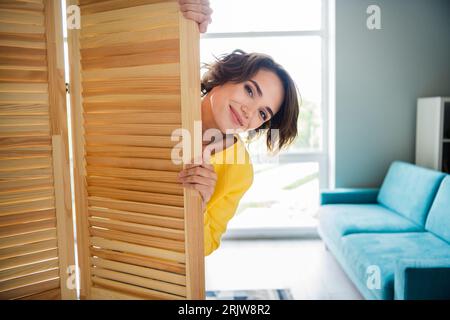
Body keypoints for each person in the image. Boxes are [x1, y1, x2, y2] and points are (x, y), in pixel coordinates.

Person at [178, 0, 301, 256]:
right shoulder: (171, 97)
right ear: (225, 75)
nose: (249, 112)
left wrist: (199, 206)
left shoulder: (240, 170)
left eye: (263, 113)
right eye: (249, 90)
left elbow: (207, 245)